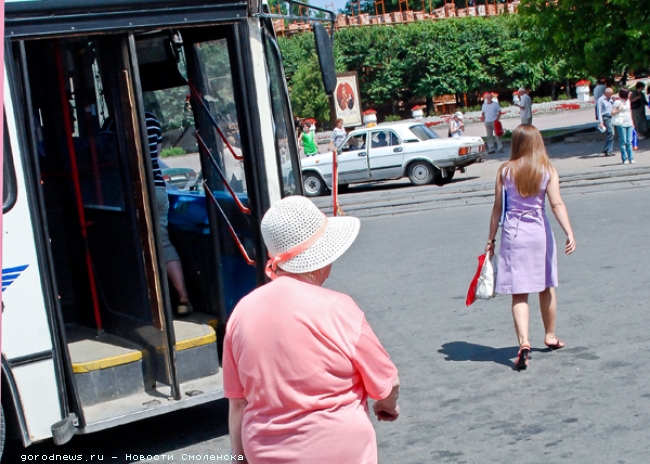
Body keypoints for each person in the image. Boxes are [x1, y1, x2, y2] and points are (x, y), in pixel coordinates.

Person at [223, 195, 400, 464]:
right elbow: (388, 384)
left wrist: (239, 459)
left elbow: (238, 403)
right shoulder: (339, 308)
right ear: (320, 259)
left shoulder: (241, 313)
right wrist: (388, 407)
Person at [485, 125, 576, 371]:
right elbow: (556, 204)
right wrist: (569, 232)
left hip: (513, 235)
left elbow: (497, 208)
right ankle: (550, 335)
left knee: (519, 292)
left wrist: (491, 239)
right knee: (546, 286)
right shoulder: (547, 170)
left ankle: (524, 342)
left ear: (516, 143)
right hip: (539, 234)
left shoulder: (505, 171)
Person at [145, 112, 193, 315]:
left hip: (132, 191)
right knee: (163, 242)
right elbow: (155, 154)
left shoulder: (113, 122)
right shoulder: (151, 120)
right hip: (158, 188)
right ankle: (183, 298)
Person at [611, 89, 636, 164]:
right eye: (628, 94)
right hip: (621, 123)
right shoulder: (618, 102)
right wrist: (619, 110)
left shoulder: (628, 101)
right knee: (623, 142)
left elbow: (630, 111)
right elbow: (612, 112)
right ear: (624, 94)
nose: (630, 95)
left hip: (629, 123)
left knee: (629, 141)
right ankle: (625, 159)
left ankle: (631, 158)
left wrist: (632, 122)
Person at [597, 88, 615, 157]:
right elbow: (599, 111)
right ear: (606, 93)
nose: (612, 94)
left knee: (612, 134)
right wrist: (600, 122)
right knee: (611, 132)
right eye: (611, 93)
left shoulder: (610, 99)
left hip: (611, 117)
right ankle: (606, 149)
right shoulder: (601, 100)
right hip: (606, 117)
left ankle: (609, 150)